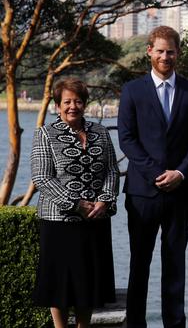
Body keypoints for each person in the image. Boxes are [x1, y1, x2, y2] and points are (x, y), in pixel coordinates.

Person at [118, 26, 188, 328]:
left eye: (170, 51)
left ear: (178, 53)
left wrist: (180, 173)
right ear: (149, 52)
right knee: (139, 264)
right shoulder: (132, 91)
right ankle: (135, 325)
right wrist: (159, 174)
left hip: (181, 194)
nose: (165, 56)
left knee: (175, 265)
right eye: (160, 51)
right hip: (143, 192)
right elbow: (127, 140)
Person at [31, 78, 119, 328]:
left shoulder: (100, 132)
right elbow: (42, 177)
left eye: (78, 101)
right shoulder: (45, 134)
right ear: (57, 106)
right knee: (59, 283)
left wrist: (105, 200)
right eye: (67, 101)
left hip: (95, 220)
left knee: (88, 283)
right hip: (59, 221)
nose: (73, 106)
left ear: (84, 104)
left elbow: (112, 170)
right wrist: (76, 204)